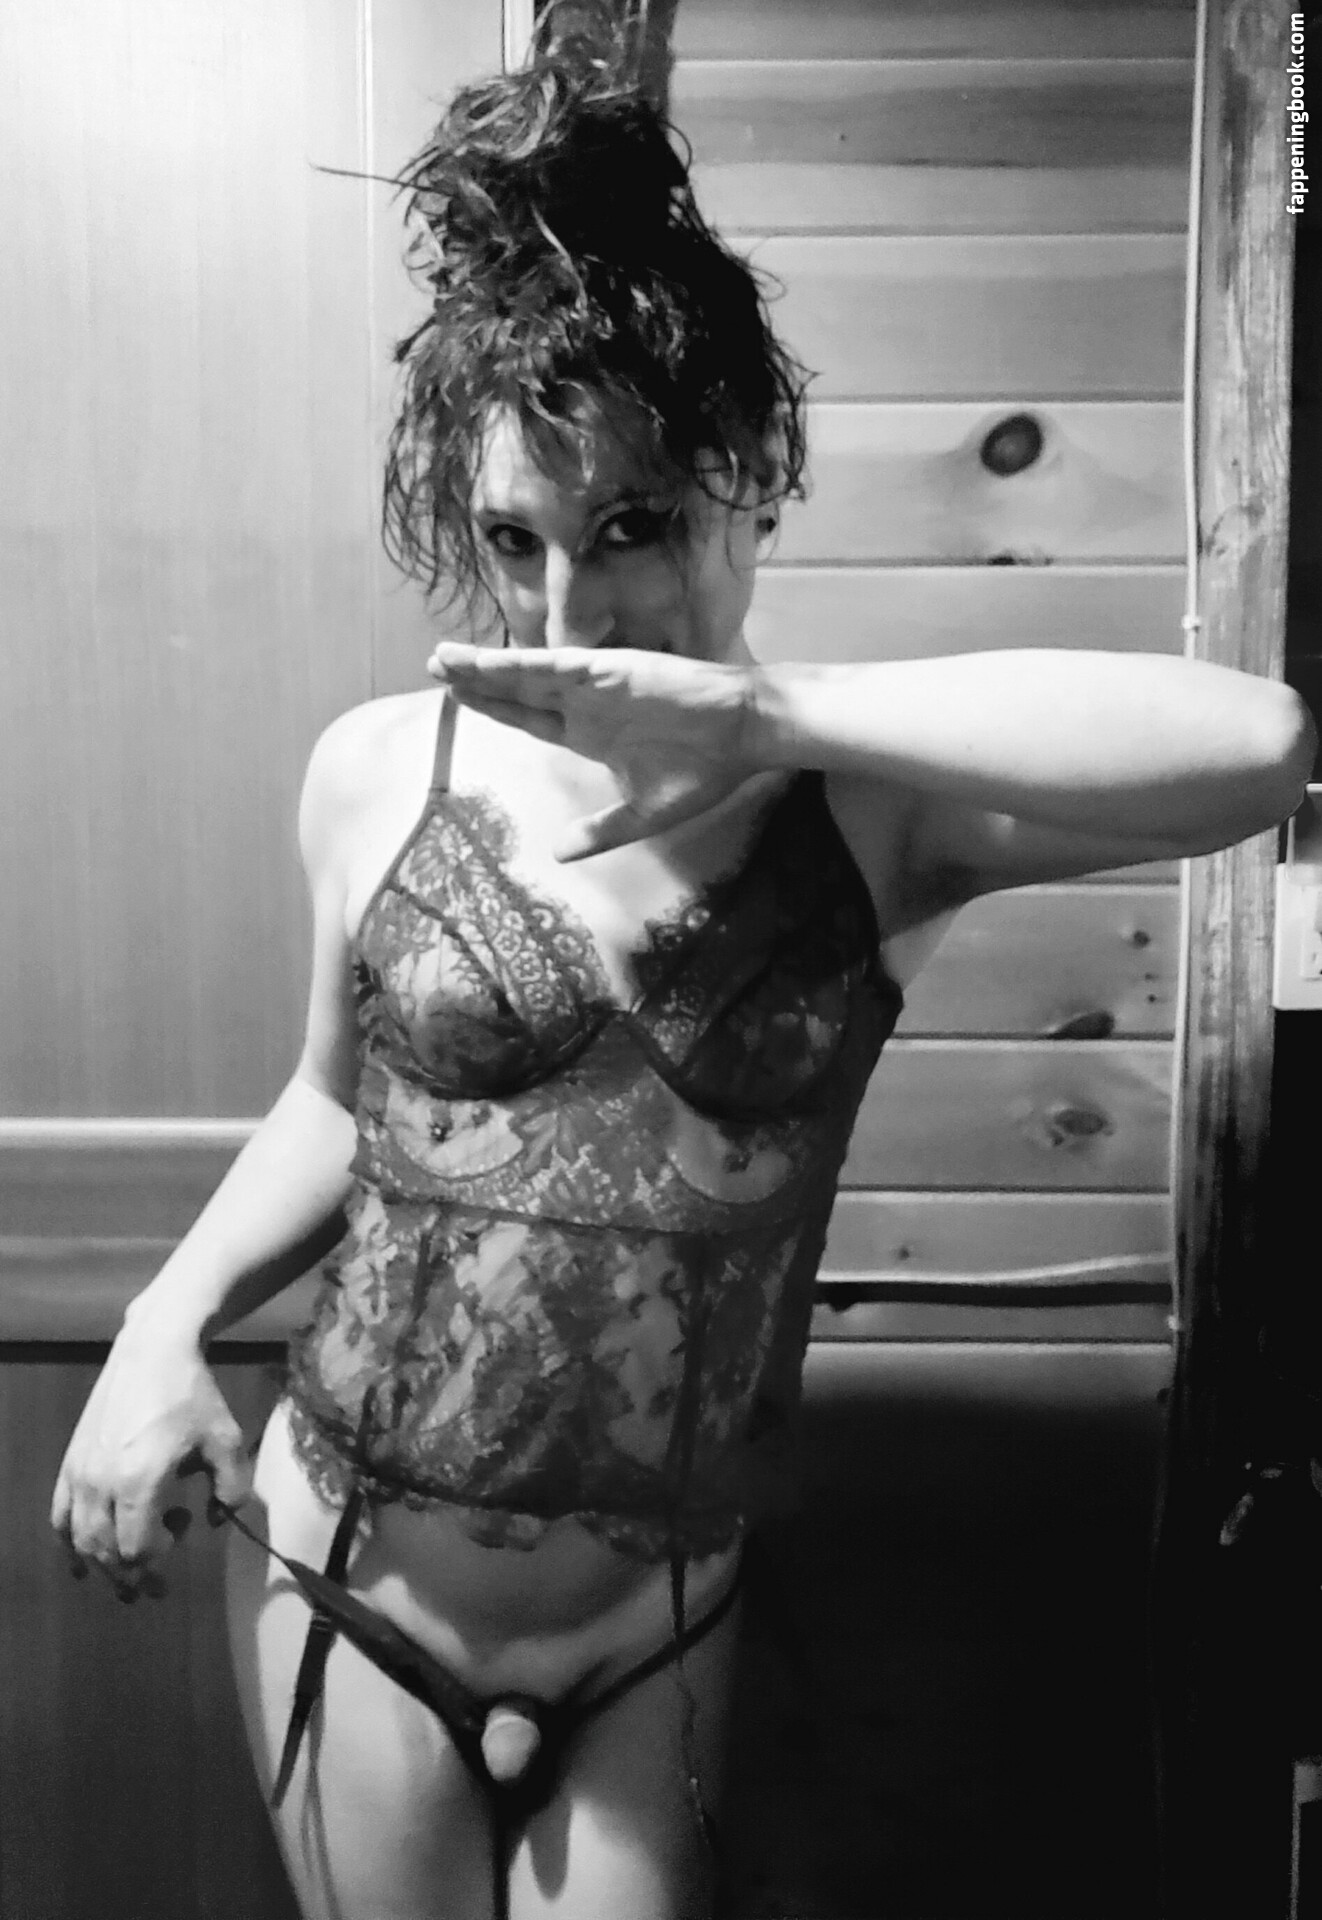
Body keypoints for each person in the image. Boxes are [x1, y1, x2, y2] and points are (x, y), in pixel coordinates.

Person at [49, 8, 1316, 1918]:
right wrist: (160, 1326)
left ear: (748, 476)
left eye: (631, 527)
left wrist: (773, 714)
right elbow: (327, 1105)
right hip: (347, 1564)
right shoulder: (381, 769)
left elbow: (1257, 747)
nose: (570, 608)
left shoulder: (873, 813)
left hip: (656, 1624)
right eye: (513, 540)